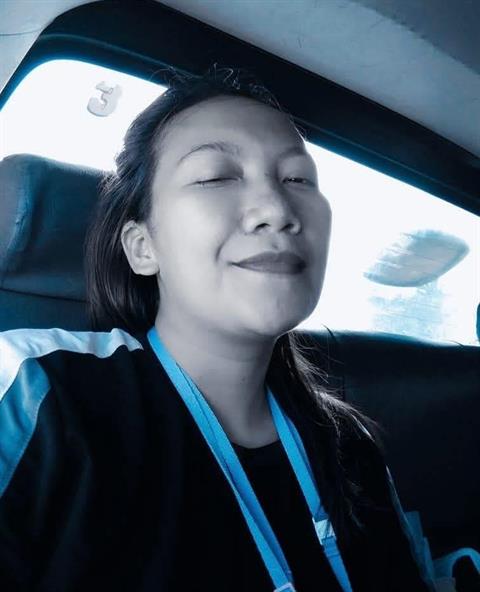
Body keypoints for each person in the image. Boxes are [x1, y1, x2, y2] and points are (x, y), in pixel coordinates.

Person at [0, 65, 434, 591]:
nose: (277, 210)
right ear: (142, 247)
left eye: (298, 179)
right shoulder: (37, 390)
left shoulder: (348, 445)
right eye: (215, 176)